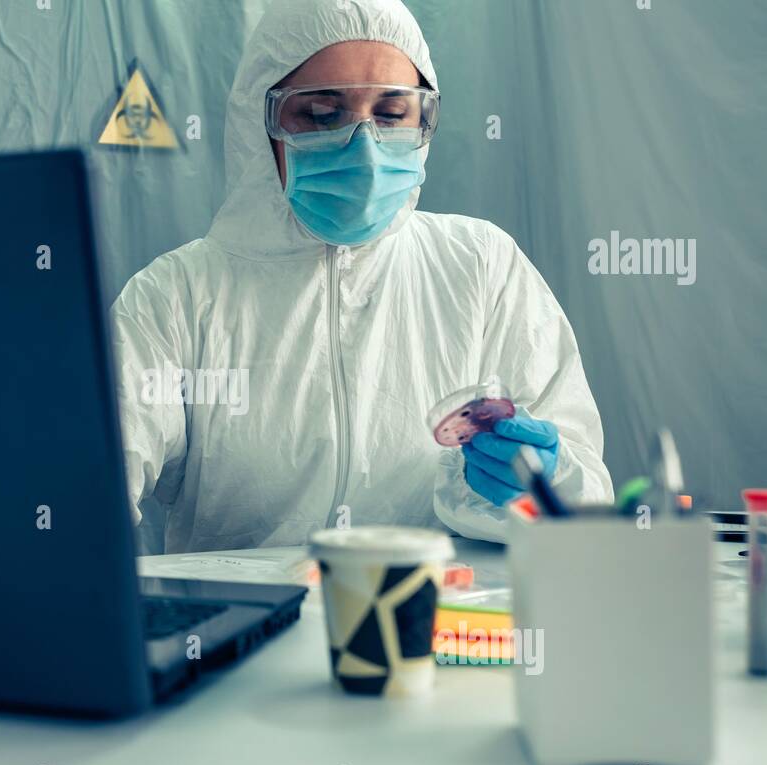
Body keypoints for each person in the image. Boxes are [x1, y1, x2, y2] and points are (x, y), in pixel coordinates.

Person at [110, 0, 612, 553]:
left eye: (393, 114)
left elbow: (584, 500)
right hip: (252, 629)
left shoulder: (480, 266)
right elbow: (93, 484)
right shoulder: (176, 297)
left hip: (444, 623)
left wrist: (545, 482)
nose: (366, 149)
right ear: (262, 125)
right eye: (323, 115)